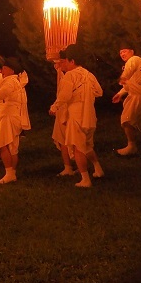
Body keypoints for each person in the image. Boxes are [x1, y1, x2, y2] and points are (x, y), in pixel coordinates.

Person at [49, 44, 105, 188]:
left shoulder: (70, 75)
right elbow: (99, 92)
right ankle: (98, 169)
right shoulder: (88, 74)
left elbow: (64, 96)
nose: (64, 64)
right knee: (86, 145)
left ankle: (85, 179)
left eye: (66, 61)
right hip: (90, 116)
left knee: (77, 148)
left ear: (72, 61)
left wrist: (55, 107)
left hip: (76, 116)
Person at [0, 57, 31, 184]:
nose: (2, 70)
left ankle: (9, 173)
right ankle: (12, 173)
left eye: (4, 68)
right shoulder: (15, 81)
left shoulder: (10, 82)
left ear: (11, 70)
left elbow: (2, 93)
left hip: (8, 117)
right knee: (13, 147)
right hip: (13, 116)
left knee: (3, 145)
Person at [111, 44, 141, 157]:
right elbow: (130, 84)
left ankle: (131, 146)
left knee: (126, 120)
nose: (122, 54)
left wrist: (123, 78)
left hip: (140, 96)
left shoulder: (134, 59)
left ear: (132, 51)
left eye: (125, 51)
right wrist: (120, 93)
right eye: (121, 52)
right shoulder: (135, 64)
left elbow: (128, 73)